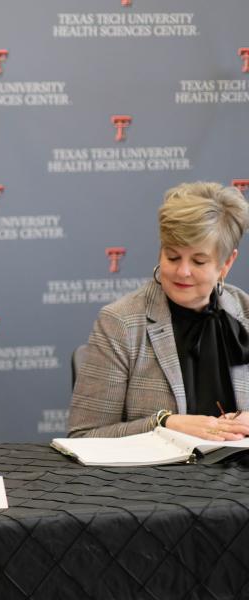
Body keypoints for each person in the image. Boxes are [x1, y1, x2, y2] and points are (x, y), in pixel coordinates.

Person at [69, 181, 249, 440]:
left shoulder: (245, 312)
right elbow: (84, 436)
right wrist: (164, 424)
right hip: (153, 479)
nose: (182, 271)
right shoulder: (120, 322)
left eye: (198, 261)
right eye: (173, 256)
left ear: (226, 263)